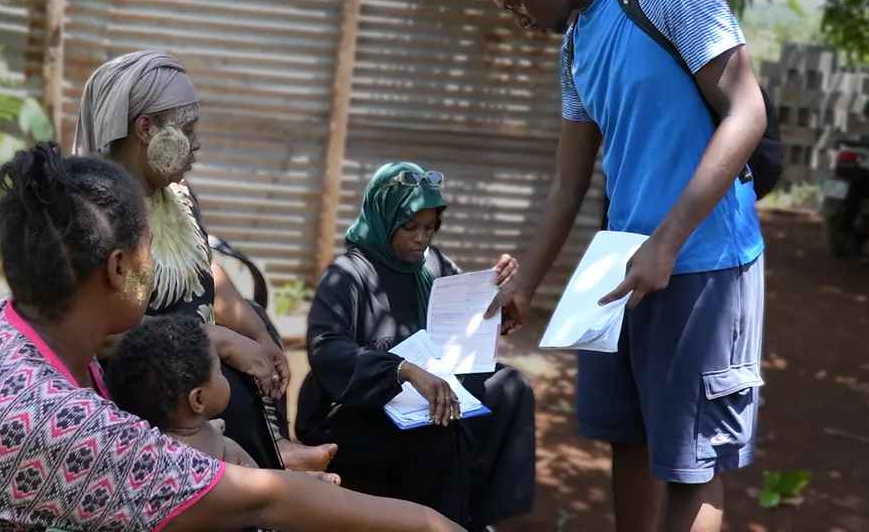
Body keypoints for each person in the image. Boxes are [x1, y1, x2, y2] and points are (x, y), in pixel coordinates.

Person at [0, 142, 465, 532]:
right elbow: (263, 497)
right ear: (120, 268)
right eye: (152, 250)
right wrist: (431, 524)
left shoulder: (4, 328)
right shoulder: (55, 421)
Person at [473, 0, 768, 532]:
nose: (519, 19)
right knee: (626, 437)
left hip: (702, 259)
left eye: (516, 4)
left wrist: (667, 241)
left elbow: (747, 111)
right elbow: (567, 182)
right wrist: (525, 283)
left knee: (693, 463)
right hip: (622, 267)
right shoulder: (576, 47)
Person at [71, 51, 334, 473]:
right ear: (144, 128)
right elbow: (103, 335)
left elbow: (205, 271)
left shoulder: (176, 194)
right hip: (145, 372)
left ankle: (274, 452)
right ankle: (264, 474)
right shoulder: (99, 211)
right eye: (187, 130)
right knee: (218, 376)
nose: (197, 144)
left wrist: (256, 334)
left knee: (260, 322)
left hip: (193, 350)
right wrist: (218, 339)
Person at [295, 162, 535, 532]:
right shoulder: (348, 275)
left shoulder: (434, 266)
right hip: (355, 408)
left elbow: (462, 325)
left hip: (424, 394)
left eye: (430, 227)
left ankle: (476, 514)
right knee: (437, 427)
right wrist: (400, 370)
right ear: (384, 217)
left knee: (510, 386)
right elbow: (327, 349)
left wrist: (497, 301)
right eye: (410, 227)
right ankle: (440, 523)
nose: (422, 238)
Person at [106, 313, 341, 484]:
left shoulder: (154, 452)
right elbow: (262, 492)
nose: (223, 377)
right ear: (198, 400)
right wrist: (300, 488)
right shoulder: (220, 454)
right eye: (219, 372)